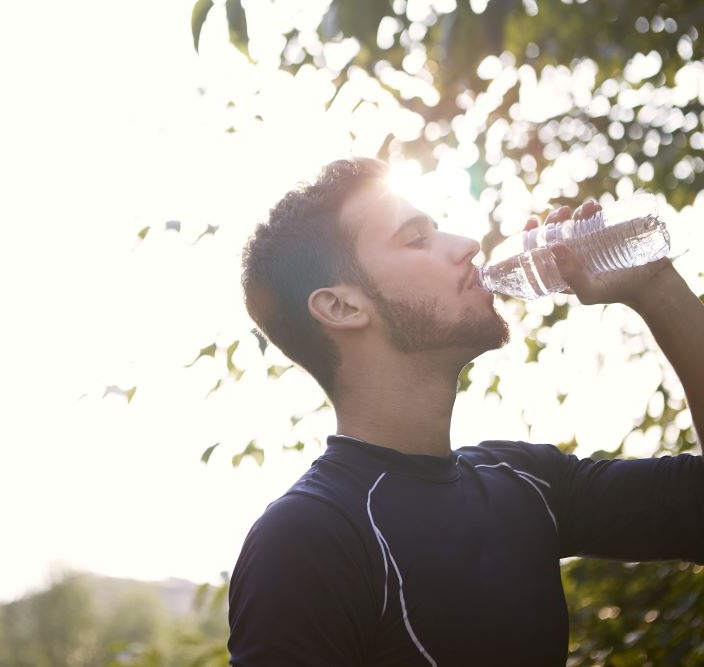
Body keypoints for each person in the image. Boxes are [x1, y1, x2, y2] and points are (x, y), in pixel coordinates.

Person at [228, 157, 704, 666]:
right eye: (417, 239)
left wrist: (656, 287)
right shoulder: (307, 538)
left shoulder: (524, 481)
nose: (468, 245)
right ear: (342, 307)